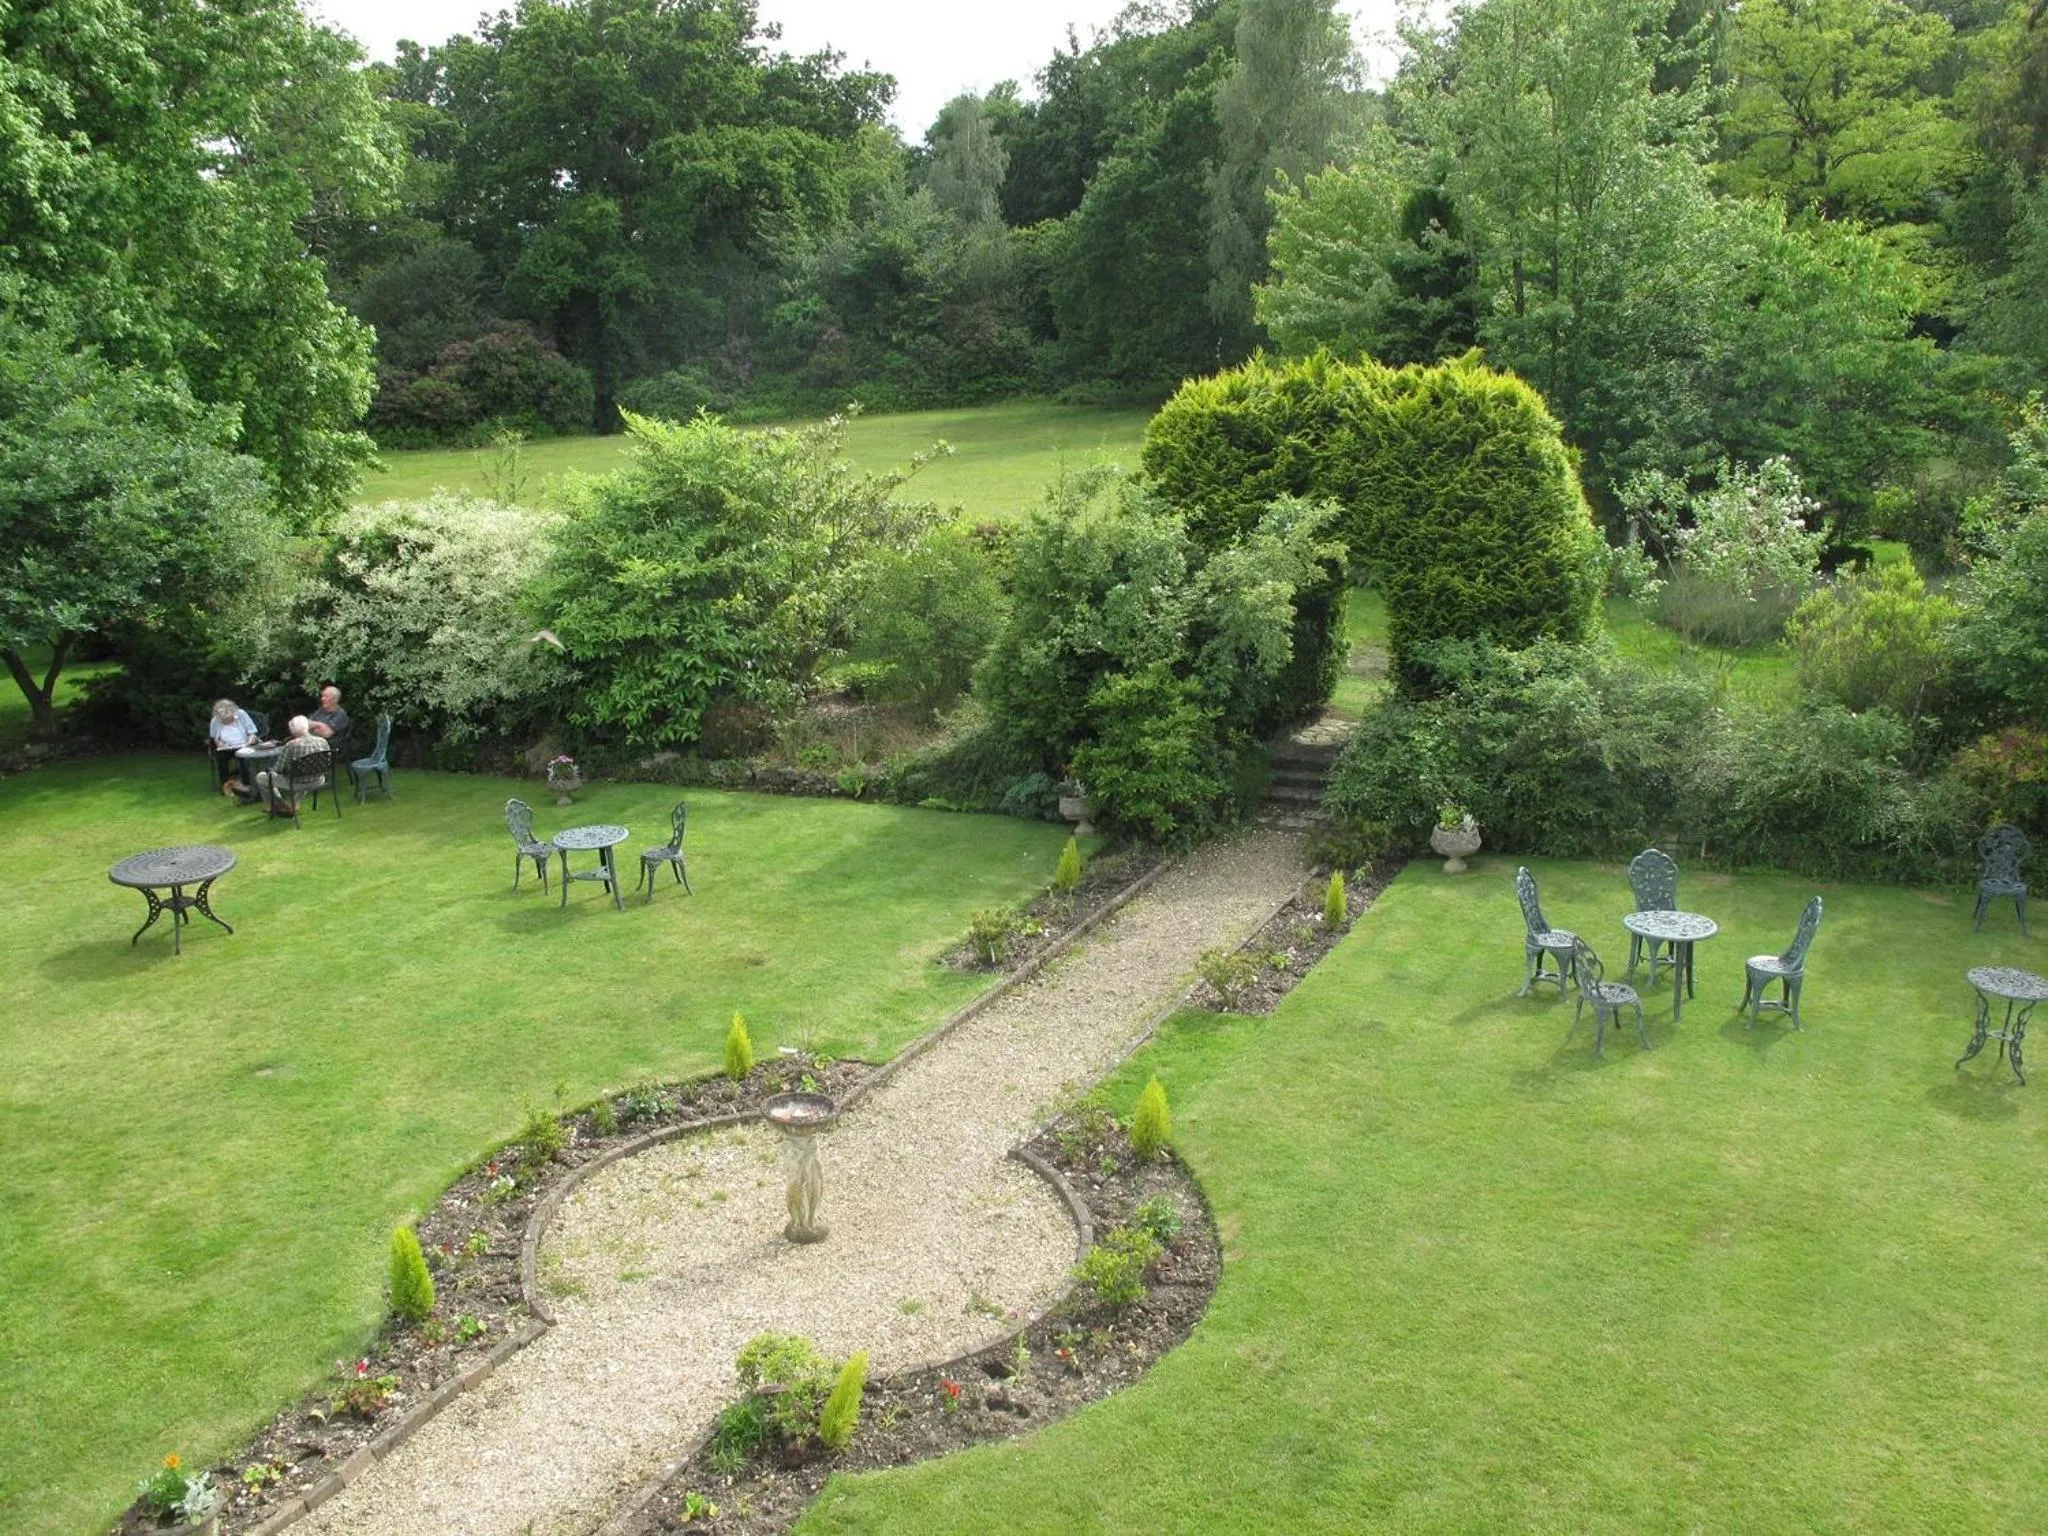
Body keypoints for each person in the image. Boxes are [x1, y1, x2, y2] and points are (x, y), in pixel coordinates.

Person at [253, 716, 332, 817]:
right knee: (302, 775)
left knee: (261, 777)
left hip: (296, 782)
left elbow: (278, 769)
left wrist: (270, 770)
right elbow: (327, 762)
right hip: (318, 779)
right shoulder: (322, 741)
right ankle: (293, 805)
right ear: (307, 727)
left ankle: (277, 805)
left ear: (292, 730)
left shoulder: (290, 745)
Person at [206, 699, 260, 795]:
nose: (225, 720)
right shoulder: (215, 720)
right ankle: (226, 785)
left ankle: (246, 786)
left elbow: (252, 732)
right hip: (226, 747)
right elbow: (215, 738)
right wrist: (220, 744)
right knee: (221, 758)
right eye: (222, 718)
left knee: (244, 758)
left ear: (232, 712)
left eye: (227, 717)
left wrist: (247, 744)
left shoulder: (241, 714)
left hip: (244, 744)